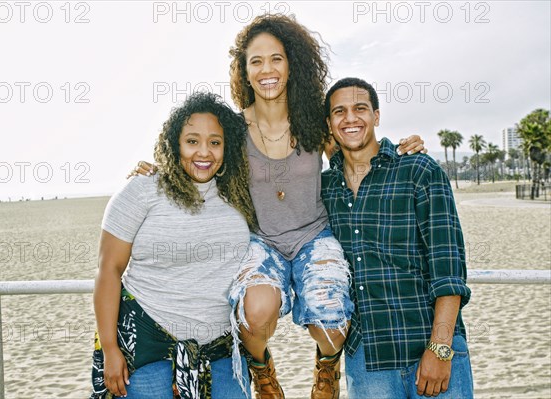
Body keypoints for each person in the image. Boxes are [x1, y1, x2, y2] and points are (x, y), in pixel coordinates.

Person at [131, 14, 427, 399]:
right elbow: (200, 162)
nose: (267, 69)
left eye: (276, 59)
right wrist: (158, 171)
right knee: (254, 313)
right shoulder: (233, 129)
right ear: (244, 71)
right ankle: (261, 370)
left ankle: (326, 368)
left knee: (333, 322)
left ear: (291, 65)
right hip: (260, 240)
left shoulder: (313, 123)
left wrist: (402, 150)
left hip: (314, 235)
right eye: (256, 61)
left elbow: (358, 152)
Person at [90, 92, 257, 399]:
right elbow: (108, 269)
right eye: (192, 141)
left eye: (215, 142)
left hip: (222, 353)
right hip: (148, 347)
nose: (204, 152)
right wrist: (111, 349)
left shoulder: (239, 195)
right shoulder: (142, 189)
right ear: (174, 144)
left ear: (227, 147)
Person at [321, 77, 473, 399]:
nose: (350, 118)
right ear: (329, 123)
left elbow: (449, 269)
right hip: (367, 359)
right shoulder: (324, 189)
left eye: (360, 109)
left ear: (376, 116)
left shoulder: (418, 170)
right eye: (340, 112)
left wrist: (441, 349)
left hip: (430, 349)